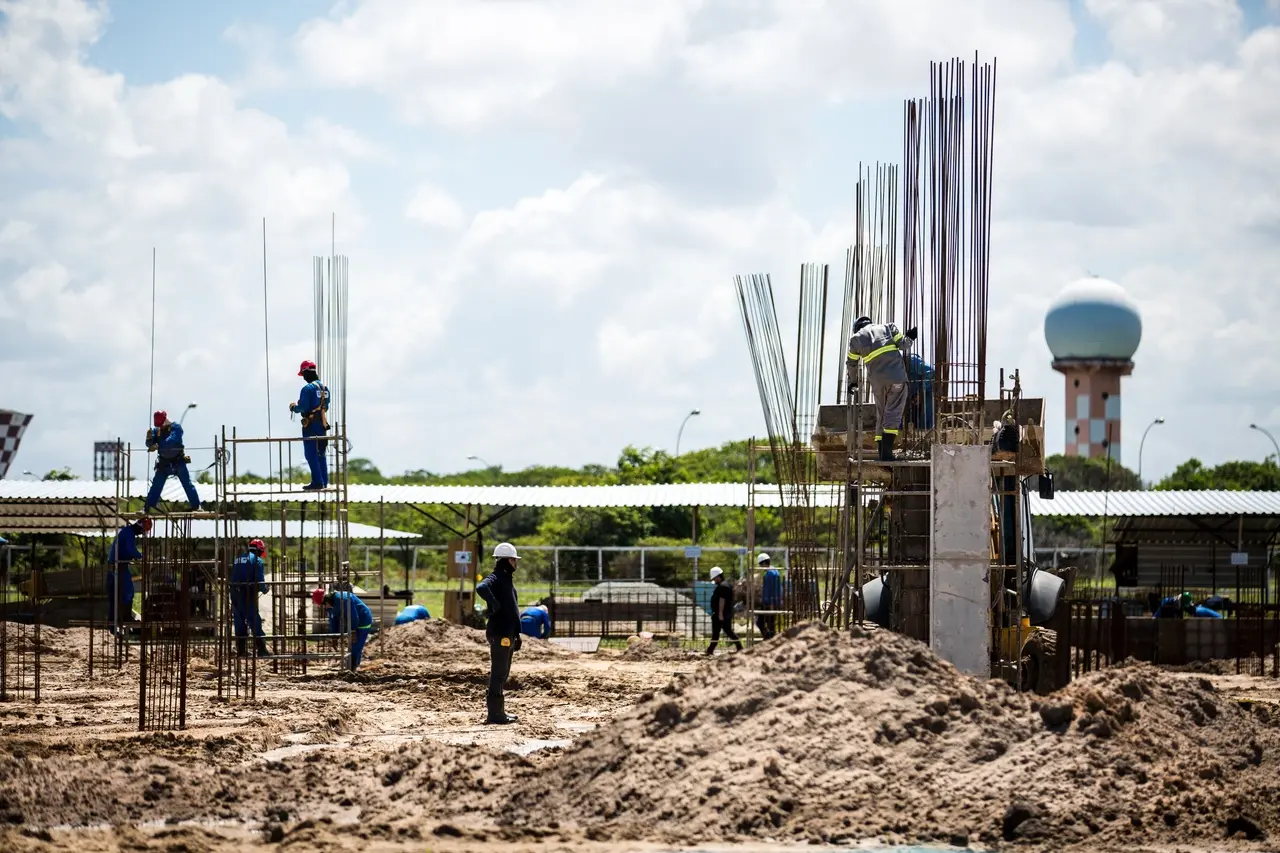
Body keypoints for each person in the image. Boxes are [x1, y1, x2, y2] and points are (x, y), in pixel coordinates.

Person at [846, 316, 918, 461]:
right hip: (896, 377)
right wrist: (911, 337)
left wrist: (853, 382)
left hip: (877, 382)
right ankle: (886, 453)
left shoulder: (855, 339)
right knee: (894, 412)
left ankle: (881, 452)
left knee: (882, 414)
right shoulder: (888, 328)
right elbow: (904, 345)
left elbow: (851, 364)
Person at [475, 542, 522, 725]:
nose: (515, 563)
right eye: (514, 560)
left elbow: (513, 609)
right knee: (498, 673)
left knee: (503, 672)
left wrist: (517, 634)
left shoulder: (506, 579)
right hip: (500, 633)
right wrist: (494, 604)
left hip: (507, 633)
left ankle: (499, 711)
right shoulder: (496, 577)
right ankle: (494, 714)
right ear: (509, 560)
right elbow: (481, 588)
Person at [144, 411, 200, 512]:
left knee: (187, 484)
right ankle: (147, 507)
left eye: (161, 425)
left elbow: (171, 440)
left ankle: (196, 506)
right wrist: (149, 439)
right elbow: (149, 444)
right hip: (163, 464)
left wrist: (158, 445)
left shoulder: (176, 428)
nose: (160, 427)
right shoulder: (157, 430)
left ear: (166, 419)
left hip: (178, 463)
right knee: (156, 485)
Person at [289, 360, 330, 491]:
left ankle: (317, 482)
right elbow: (326, 407)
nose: (304, 378)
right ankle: (324, 481)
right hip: (322, 424)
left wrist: (294, 408)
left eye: (303, 375)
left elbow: (303, 407)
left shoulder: (308, 389)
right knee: (321, 453)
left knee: (311, 453)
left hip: (311, 425)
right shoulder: (325, 388)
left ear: (306, 372)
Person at [313, 587, 374, 670]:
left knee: (356, 645)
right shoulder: (331, 605)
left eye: (324, 604)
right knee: (353, 646)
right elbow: (334, 621)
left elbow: (353, 616)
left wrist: (353, 630)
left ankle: (353, 667)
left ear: (327, 599)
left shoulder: (343, 599)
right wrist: (334, 637)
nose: (325, 607)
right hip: (353, 621)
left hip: (363, 619)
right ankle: (351, 666)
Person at [106, 518, 150, 633]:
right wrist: (141, 556)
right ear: (140, 527)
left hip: (117, 567)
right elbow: (131, 550)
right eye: (142, 532)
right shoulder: (129, 533)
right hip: (118, 568)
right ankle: (124, 617)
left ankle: (115, 624)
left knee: (115, 597)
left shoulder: (126, 531)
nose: (141, 534)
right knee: (127, 592)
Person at [230, 539, 272, 658]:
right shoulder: (257, 560)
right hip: (246, 594)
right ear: (259, 550)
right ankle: (262, 650)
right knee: (254, 621)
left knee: (239, 621)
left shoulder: (238, 559)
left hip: (234, 593)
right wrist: (265, 589)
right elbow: (260, 581)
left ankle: (241, 650)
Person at [706, 566, 743, 655]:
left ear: (718, 577)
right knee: (722, 631)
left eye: (715, 578)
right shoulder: (726, 585)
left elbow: (722, 601)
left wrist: (720, 613)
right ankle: (710, 650)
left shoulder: (723, 586)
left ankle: (739, 647)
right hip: (724, 613)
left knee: (723, 631)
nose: (714, 581)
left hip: (722, 613)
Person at [905, 353, 935, 430]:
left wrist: (922, 392)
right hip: (911, 396)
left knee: (925, 420)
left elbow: (930, 372)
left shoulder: (911, 361)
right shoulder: (890, 368)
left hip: (927, 392)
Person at [756, 553, 782, 641]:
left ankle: (769, 639)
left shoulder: (770, 574)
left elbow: (773, 590)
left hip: (769, 603)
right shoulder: (774, 571)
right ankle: (770, 639)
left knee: (763, 622)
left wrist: (771, 604)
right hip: (770, 602)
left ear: (763, 563)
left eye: (760, 565)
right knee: (769, 623)